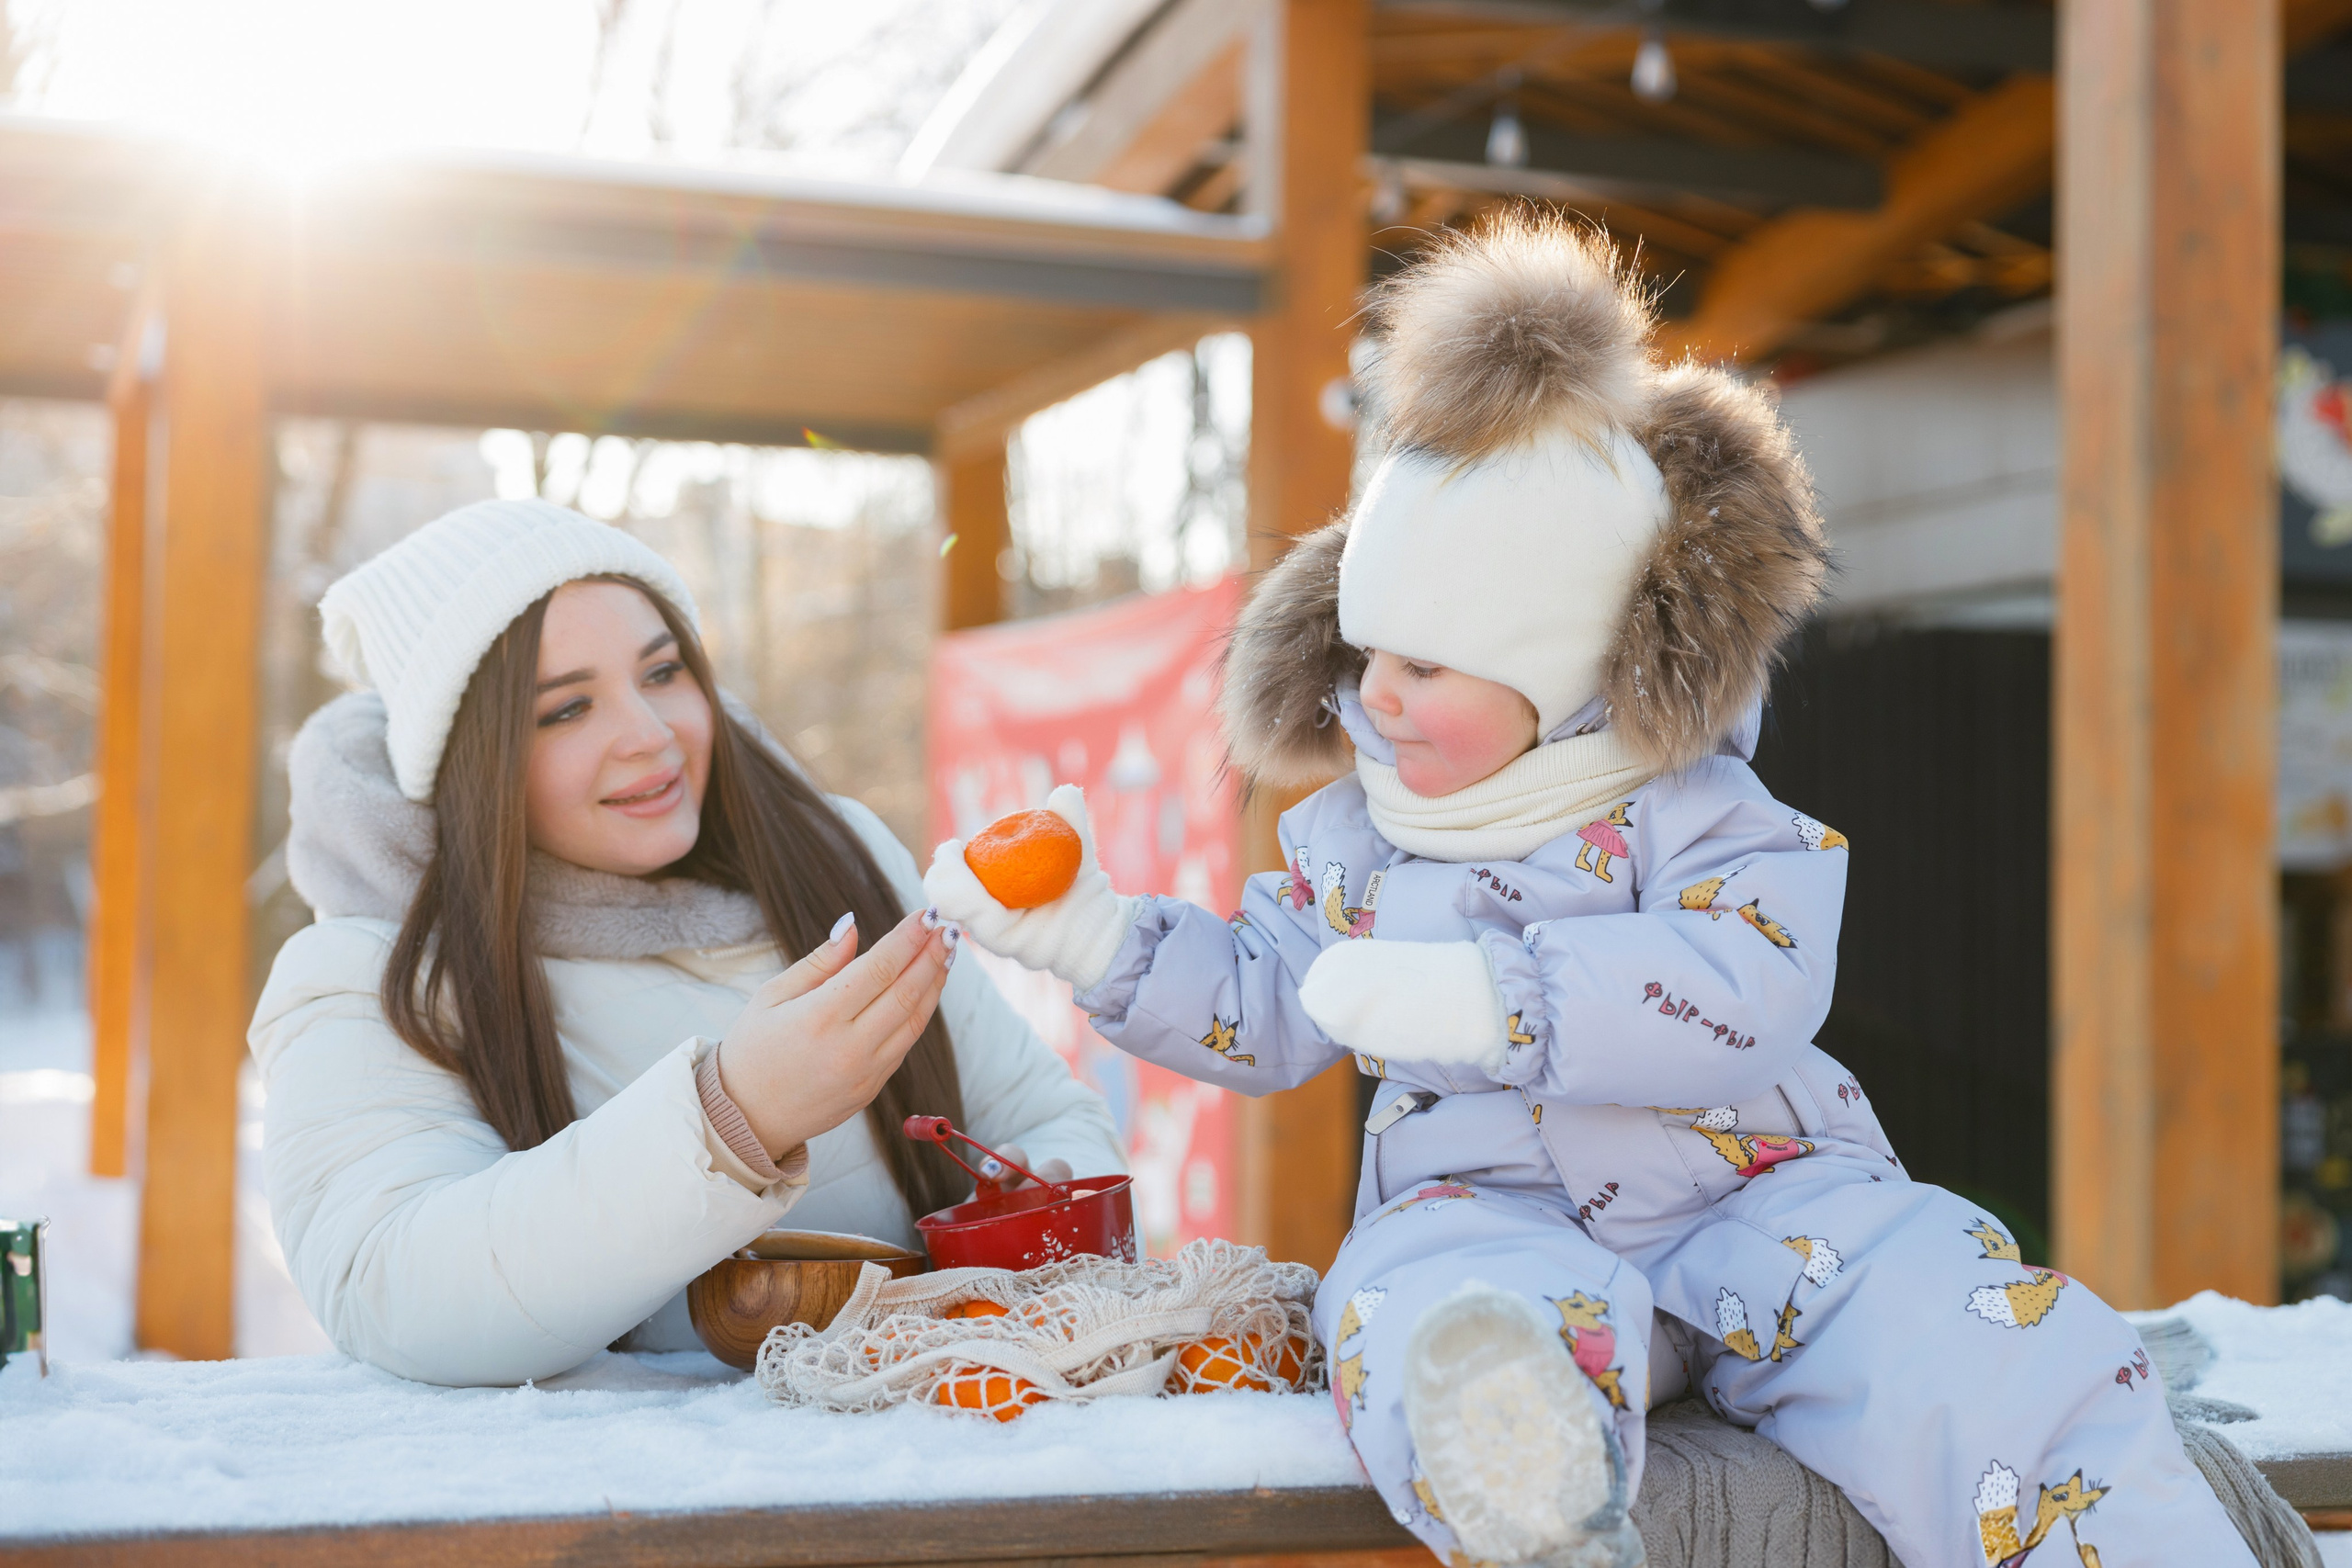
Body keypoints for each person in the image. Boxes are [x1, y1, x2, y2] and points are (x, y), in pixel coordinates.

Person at [926, 214, 2256, 1568]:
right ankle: (1525, 1467)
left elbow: (1751, 978)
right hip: (1490, 1212)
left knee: (1957, 1317)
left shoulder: (1704, 811)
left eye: (1427, 664)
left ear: (1562, 665)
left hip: (1767, 1201)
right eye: (1369, 651)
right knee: (1414, 1299)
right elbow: (1266, 1002)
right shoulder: (1358, 843)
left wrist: (1499, 1000)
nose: (1378, 695)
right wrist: (1099, 938)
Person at [250, 499, 1121, 1388]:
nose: (650, 733)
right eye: (566, 709)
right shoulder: (371, 968)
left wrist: (1037, 1203)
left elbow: (1051, 1119)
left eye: (662, 671)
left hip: (944, 1447)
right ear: (469, 762)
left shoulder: (837, 861)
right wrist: (730, 1118)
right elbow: (392, 1290)